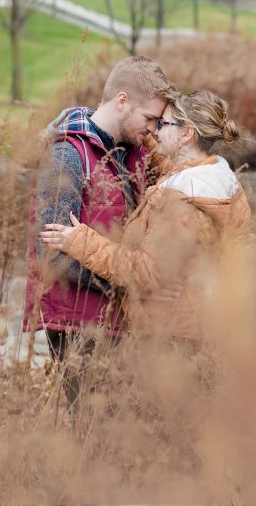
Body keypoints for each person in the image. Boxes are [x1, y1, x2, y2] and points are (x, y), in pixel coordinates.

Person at [39, 90, 252, 343]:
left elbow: (145, 271)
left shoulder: (182, 200)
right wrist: (120, 121)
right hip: (187, 324)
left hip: (168, 336)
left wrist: (81, 241)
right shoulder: (209, 175)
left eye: (163, 124)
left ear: (186, 134)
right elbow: (168, 164)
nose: (155, 130)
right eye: (153, 122)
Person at [23, 55, 176, 405]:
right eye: (150, 118)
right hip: (78, 321)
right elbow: (52, 257)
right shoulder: (67, 157)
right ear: (122, 101)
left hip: (119, 316)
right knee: (97, 432)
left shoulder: (132, 154)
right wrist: (136, 282)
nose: (153, 130)